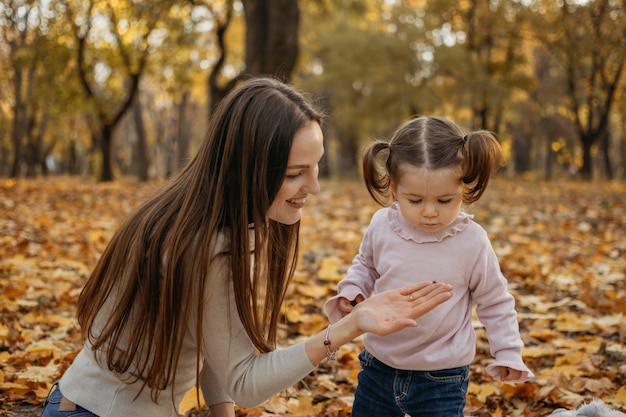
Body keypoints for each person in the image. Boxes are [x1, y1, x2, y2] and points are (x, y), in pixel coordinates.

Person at [40, 78, 453, 417]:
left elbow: (212, 338)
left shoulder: (205, 218)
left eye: (317, 166)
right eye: (295, 174)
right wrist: (350, 326)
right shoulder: (208, 248)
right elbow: (246, 382)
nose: (313, 187)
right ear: (251, 167)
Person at [325, 115, 535, 417]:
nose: (430, 212)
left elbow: (495, 301)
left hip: (443, 377)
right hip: (379, 366)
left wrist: (508, 352)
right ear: (394, 188)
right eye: (415, 200)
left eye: (444, 200)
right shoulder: (382, 225)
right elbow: (366, 266)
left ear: (463, 188)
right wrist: (353, 289)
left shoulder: (472, 242)